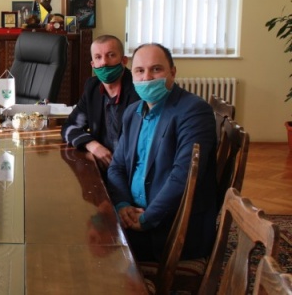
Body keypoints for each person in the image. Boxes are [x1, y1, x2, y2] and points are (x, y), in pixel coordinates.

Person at [107, 43, 217, 262]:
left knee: (96, 247)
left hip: (172, 226)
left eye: (156, 69)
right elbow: (117, 167)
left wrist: (147, 218)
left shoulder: (194, 111)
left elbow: (183, 176)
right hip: (134, 214)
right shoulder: (132, 112)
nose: (147, 77)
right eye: (139, 70)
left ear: (172, 72)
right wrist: (123, 205)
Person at [61, 35, 140, 173]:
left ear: (124, 60)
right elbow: (69, 127)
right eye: (98, 57)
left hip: (130, 169)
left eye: (111, 55)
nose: (104, 62)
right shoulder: (92, 87)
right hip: (102, 165)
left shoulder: (138, 90)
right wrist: (92, 145)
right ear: (93, 64)